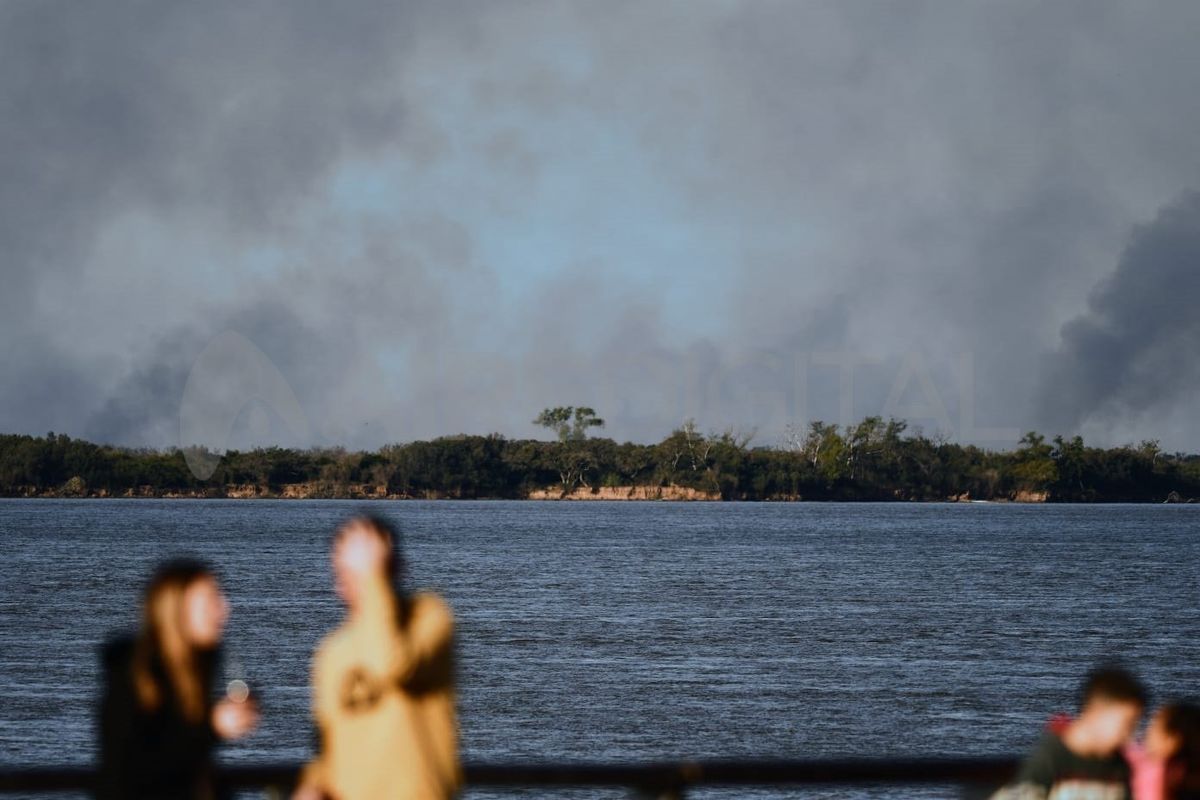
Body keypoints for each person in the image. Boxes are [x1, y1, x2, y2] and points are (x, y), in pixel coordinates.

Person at [294, 514, 461, 800]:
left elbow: (393, 663)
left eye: (373, 567)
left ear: (395, 569)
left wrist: (373, 577)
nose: (362, 581)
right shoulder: (332, 653)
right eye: (349, 572)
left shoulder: (430, 618)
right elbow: (329, 746)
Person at [97, 559, 259, 799]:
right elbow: (138, 768)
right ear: (177, 609)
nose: (225, 608)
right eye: (211, 600)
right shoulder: (132, 676)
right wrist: (212, 727)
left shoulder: (201, 666)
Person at [992, 665, 1147, 800]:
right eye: (1126, 725)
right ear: (1096, 713)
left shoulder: (1119, 767)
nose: (1129, 736)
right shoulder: (1051, 758)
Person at [1127, 702, 1200, 800]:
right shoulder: (1188, 775)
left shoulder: (1161, 772)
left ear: (1173, 739)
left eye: (1155, 726)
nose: (1148, 731)